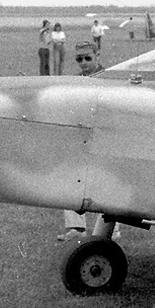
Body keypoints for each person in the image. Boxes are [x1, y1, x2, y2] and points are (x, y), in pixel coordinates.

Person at [58, 42, 113, 241]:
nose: (83, 63)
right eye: (79, 59)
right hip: (81, 138)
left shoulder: (111, 79)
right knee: (71, 177)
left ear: (97, 56)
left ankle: (110, 231)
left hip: (104, 139)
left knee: (106, 182)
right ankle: (76, 228)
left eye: (88, 58)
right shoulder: (76, 81)